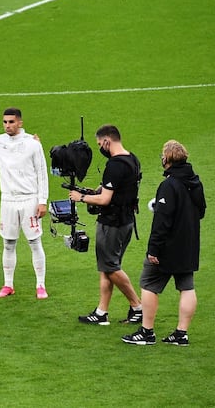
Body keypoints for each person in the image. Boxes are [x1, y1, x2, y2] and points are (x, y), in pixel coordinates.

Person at [122, 140, 205, 346]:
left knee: (148, 284)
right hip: (189, 245)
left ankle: (147, 332)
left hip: (168, 246)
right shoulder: (195, 182)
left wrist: (153, 249)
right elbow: (200, 211)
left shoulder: (169, 185)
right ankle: (181, 334)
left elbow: (162, 221)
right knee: (186, 286)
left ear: (167, 159)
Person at [70, 125, 143, 325]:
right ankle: (101, 313)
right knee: (106, 267)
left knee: (111, 267)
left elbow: (105, 200)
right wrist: (95, 190)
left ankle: (138, 307)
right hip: (126, 221)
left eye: (100, 144)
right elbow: (117, 189)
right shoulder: (132, 159)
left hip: (112, 223)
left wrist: (81, 197)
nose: (100, 148)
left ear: (107, 141)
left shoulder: (115, 165)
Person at [0, 107, 49, 299]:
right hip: (8, 200)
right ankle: (8, 285)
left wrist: (42, 201)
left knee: (34, 241)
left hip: (28, 199)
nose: (8, 125)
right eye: (5, 122)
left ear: (20, 123)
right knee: (8, 243)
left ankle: (40, 285)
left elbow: (42, 172)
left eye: (11, 122)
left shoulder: (32, 144)